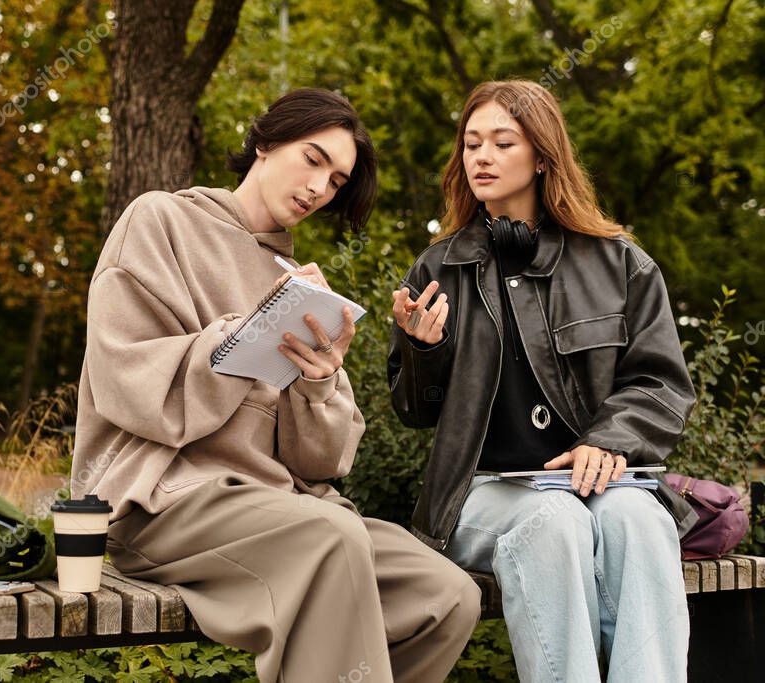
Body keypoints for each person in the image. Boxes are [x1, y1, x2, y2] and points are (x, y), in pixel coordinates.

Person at [71, 88, 481, 683]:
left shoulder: (302, 287)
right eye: (314, 160)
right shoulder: (160, 220)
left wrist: (317, 385)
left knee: (445, 596)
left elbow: (320, 461)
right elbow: (125, 380)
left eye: (337, 181)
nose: (320, 188)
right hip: (161, 501)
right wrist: (244, 333)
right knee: (333, 538)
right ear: (264, 143)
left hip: (281, 508)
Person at [388, 80, 698, 682]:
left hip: (598, 486)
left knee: (642, 520)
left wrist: (611, 441)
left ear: (542, 156)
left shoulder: (621, 263)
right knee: (553, 523)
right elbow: (413, 411)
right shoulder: (438, 266)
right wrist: (423, 350)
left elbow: (661, 382)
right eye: (472, 143)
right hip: (482, 494)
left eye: (503, 143)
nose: (481, 156)